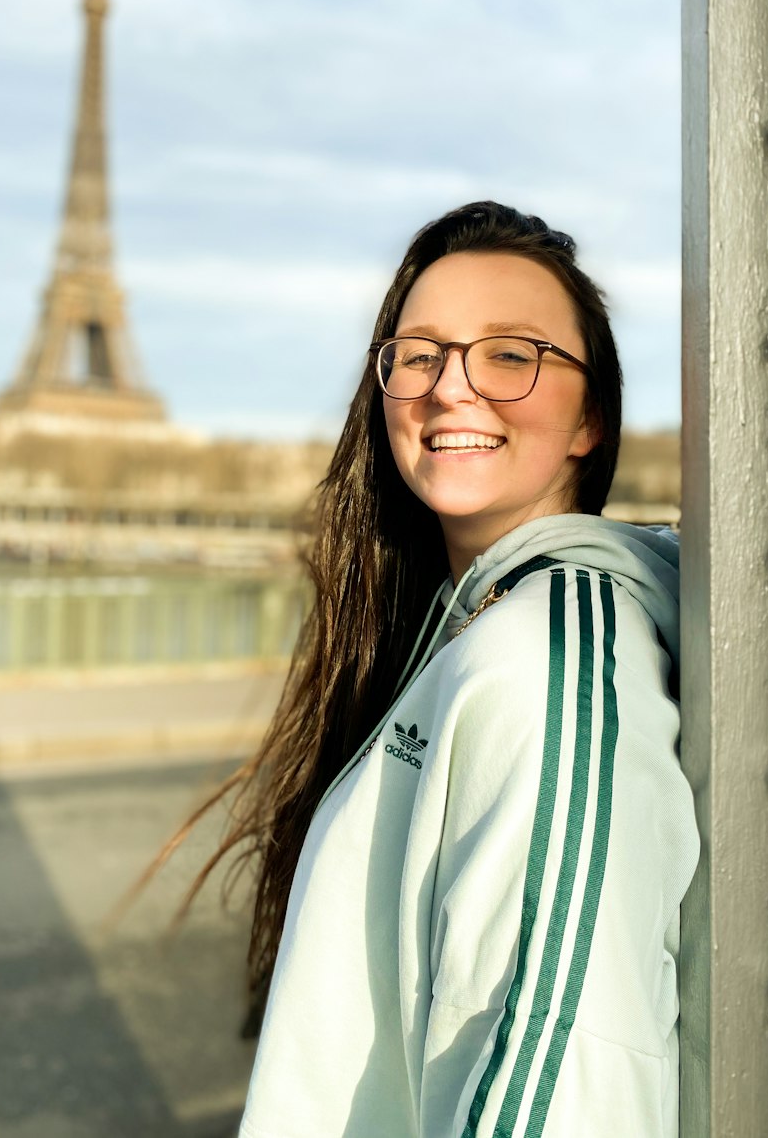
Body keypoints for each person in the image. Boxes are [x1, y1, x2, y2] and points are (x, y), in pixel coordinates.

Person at [206, 201, 698, 1136]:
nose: (451, 387)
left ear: (590, 417)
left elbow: (557, 1077)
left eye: (511, 355)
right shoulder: (471, 631)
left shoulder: (546, 656)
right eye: (420, 353)